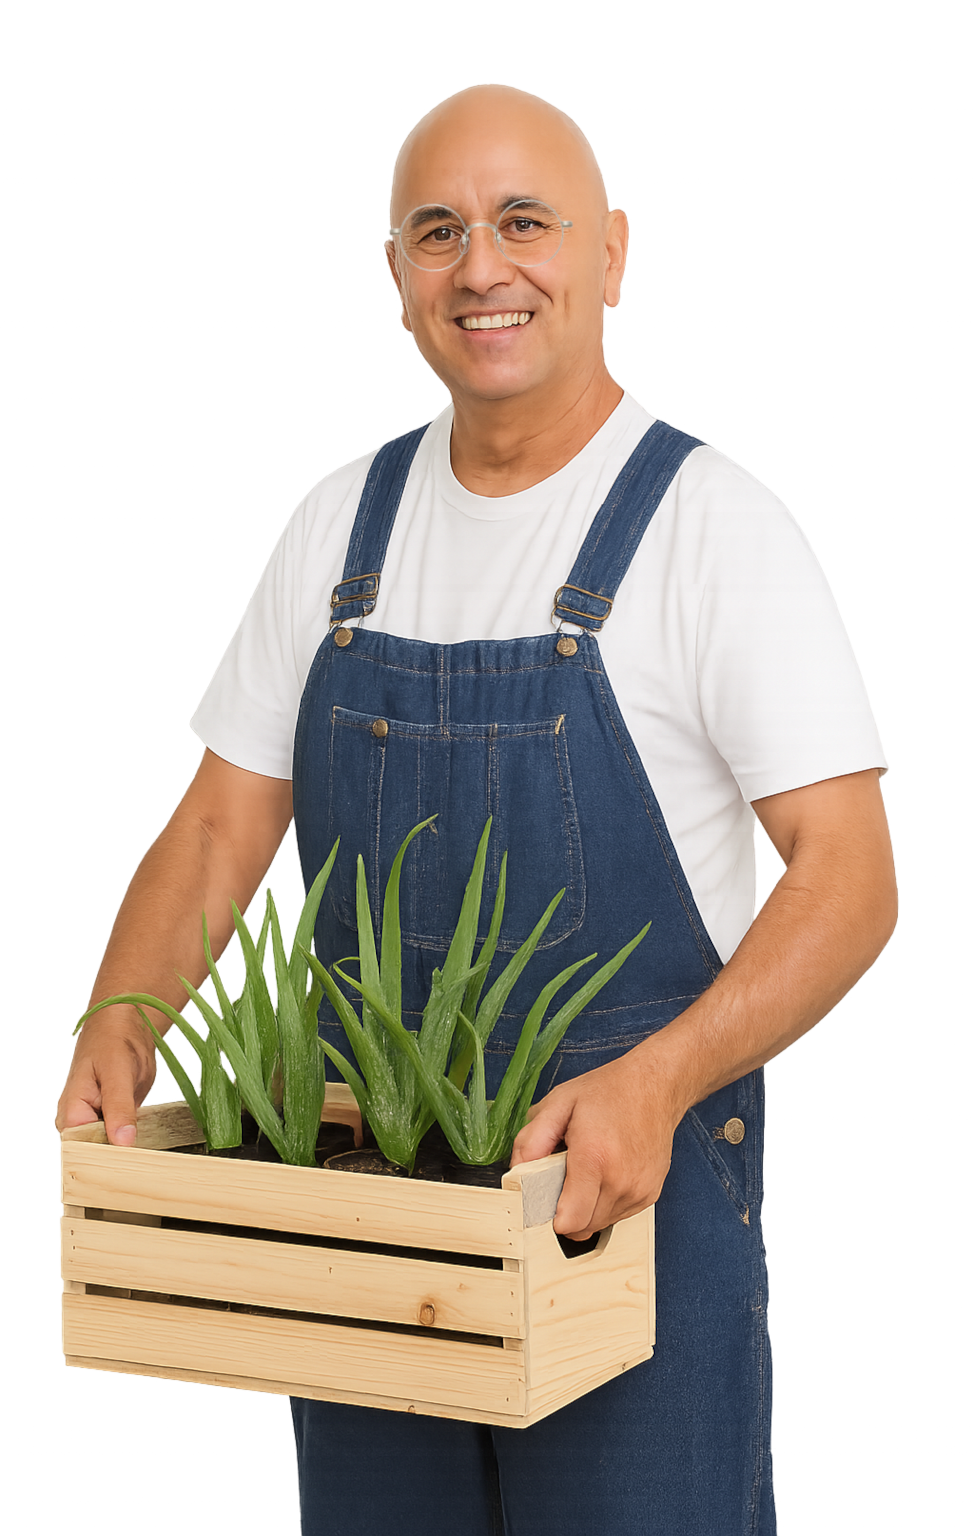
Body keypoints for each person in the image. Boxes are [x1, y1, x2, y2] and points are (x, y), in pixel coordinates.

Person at [56, 82, 898, 1535]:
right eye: (438, 231)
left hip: (626, 1195)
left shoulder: (716, 528)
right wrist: (120, 1017)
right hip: (369, 1212)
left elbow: (851, 877)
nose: (481, 267)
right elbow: (216, 829)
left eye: (524, 222)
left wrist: (658, 1080)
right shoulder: (338, 526)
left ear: (611, 255)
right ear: (395, 273)